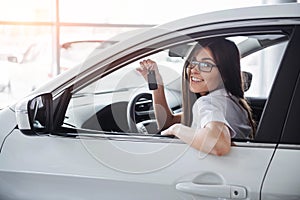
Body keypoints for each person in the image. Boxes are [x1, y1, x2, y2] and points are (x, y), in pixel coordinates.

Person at [136, 38, 255, 156]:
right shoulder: (232, 101)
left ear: (224, 73)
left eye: (205, 64)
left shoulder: (208, 103)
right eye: (193, 62)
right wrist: (157, 85)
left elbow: (218, 145)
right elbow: (168, 122)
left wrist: (176, 130)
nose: (194, 70)